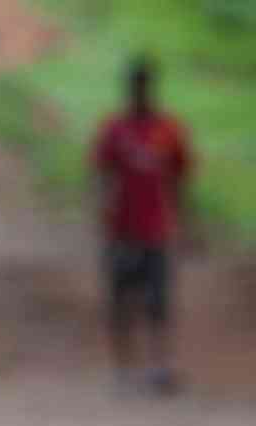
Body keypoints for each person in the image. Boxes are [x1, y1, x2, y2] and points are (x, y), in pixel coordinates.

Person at [91, 56, 194, 394]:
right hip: (122, 228)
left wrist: (185, 223)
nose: (139, 91)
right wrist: (102, 219)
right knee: (121, 300)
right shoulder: (115, 129)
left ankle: (159, 364)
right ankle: (122, 367)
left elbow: (179, 180)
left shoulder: (168, 130)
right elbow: (101, 176)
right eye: (135, 85)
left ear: (151, 87)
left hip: (156, 229)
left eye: (144, 84)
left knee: (157, 302)